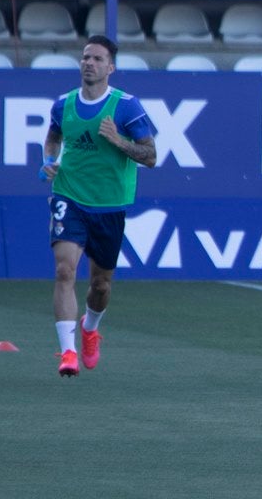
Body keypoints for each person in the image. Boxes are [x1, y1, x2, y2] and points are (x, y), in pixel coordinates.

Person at [40, 35, 155, 377]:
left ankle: (90, 328)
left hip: (109, 205)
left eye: (97, 59)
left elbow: (150, 156)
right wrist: (48, 159)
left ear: (111, 68)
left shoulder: (126, 107)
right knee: (64, 270)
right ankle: (68, 352)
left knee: (100, 284)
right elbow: (54, 136)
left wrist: (117, 140)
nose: (89, 63)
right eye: (85, 57)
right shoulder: (63, 104)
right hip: (69, 195)